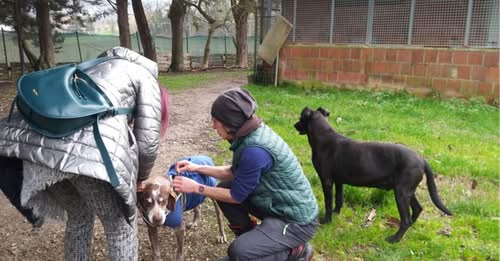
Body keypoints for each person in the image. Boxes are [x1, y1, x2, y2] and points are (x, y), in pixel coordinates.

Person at [0, 46, 168, 261]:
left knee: (79, 215)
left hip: (37, 155)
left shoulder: (93, 67)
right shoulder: (144, 74)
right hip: (83, 157)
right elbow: (148, 140)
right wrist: (141, 178)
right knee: (120, 224)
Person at [172, 88, 318, 261]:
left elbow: (236, 196)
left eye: (215, 120)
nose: (213, 125)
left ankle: (298, 251)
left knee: (238, 252)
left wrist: (196, 187)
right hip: (278, 204)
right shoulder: (249, 134)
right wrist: (196, 168)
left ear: (229, 121)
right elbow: (233, 173)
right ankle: (254, 241)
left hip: (296, 221)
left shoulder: (254, 150)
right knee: (223, 188)